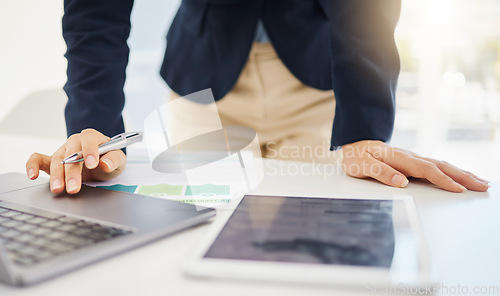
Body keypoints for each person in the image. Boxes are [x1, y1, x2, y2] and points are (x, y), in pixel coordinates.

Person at [26, 0, 489, 194]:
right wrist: (97, 129)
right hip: (201, 86)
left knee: (319, 244)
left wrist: (364, 128)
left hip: (315, 84)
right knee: (191, 237)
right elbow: (96, 10)